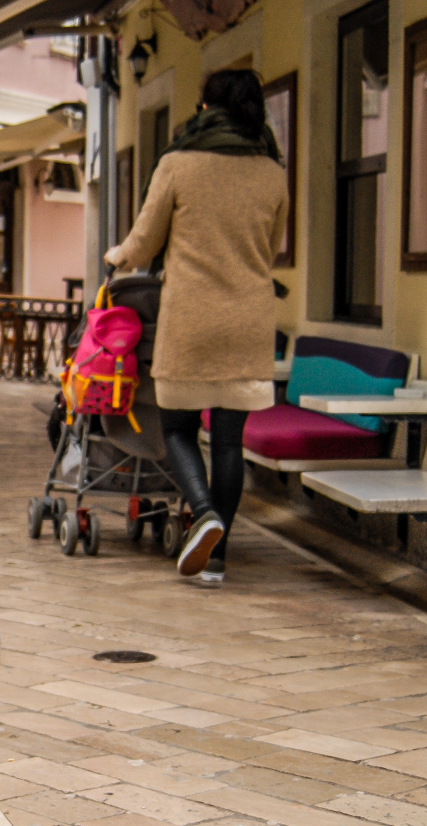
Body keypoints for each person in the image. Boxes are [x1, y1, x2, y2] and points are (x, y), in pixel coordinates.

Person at [104, 69, 288, 584]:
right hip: (249, 321)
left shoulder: (177, 164)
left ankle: (203, 512)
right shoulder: (273, 172)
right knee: (229, 443)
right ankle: (217, 558)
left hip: (190, 319)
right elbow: (272, 248)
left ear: (206, 108)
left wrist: (117, 256)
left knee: (178, 429)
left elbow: (144, 242)